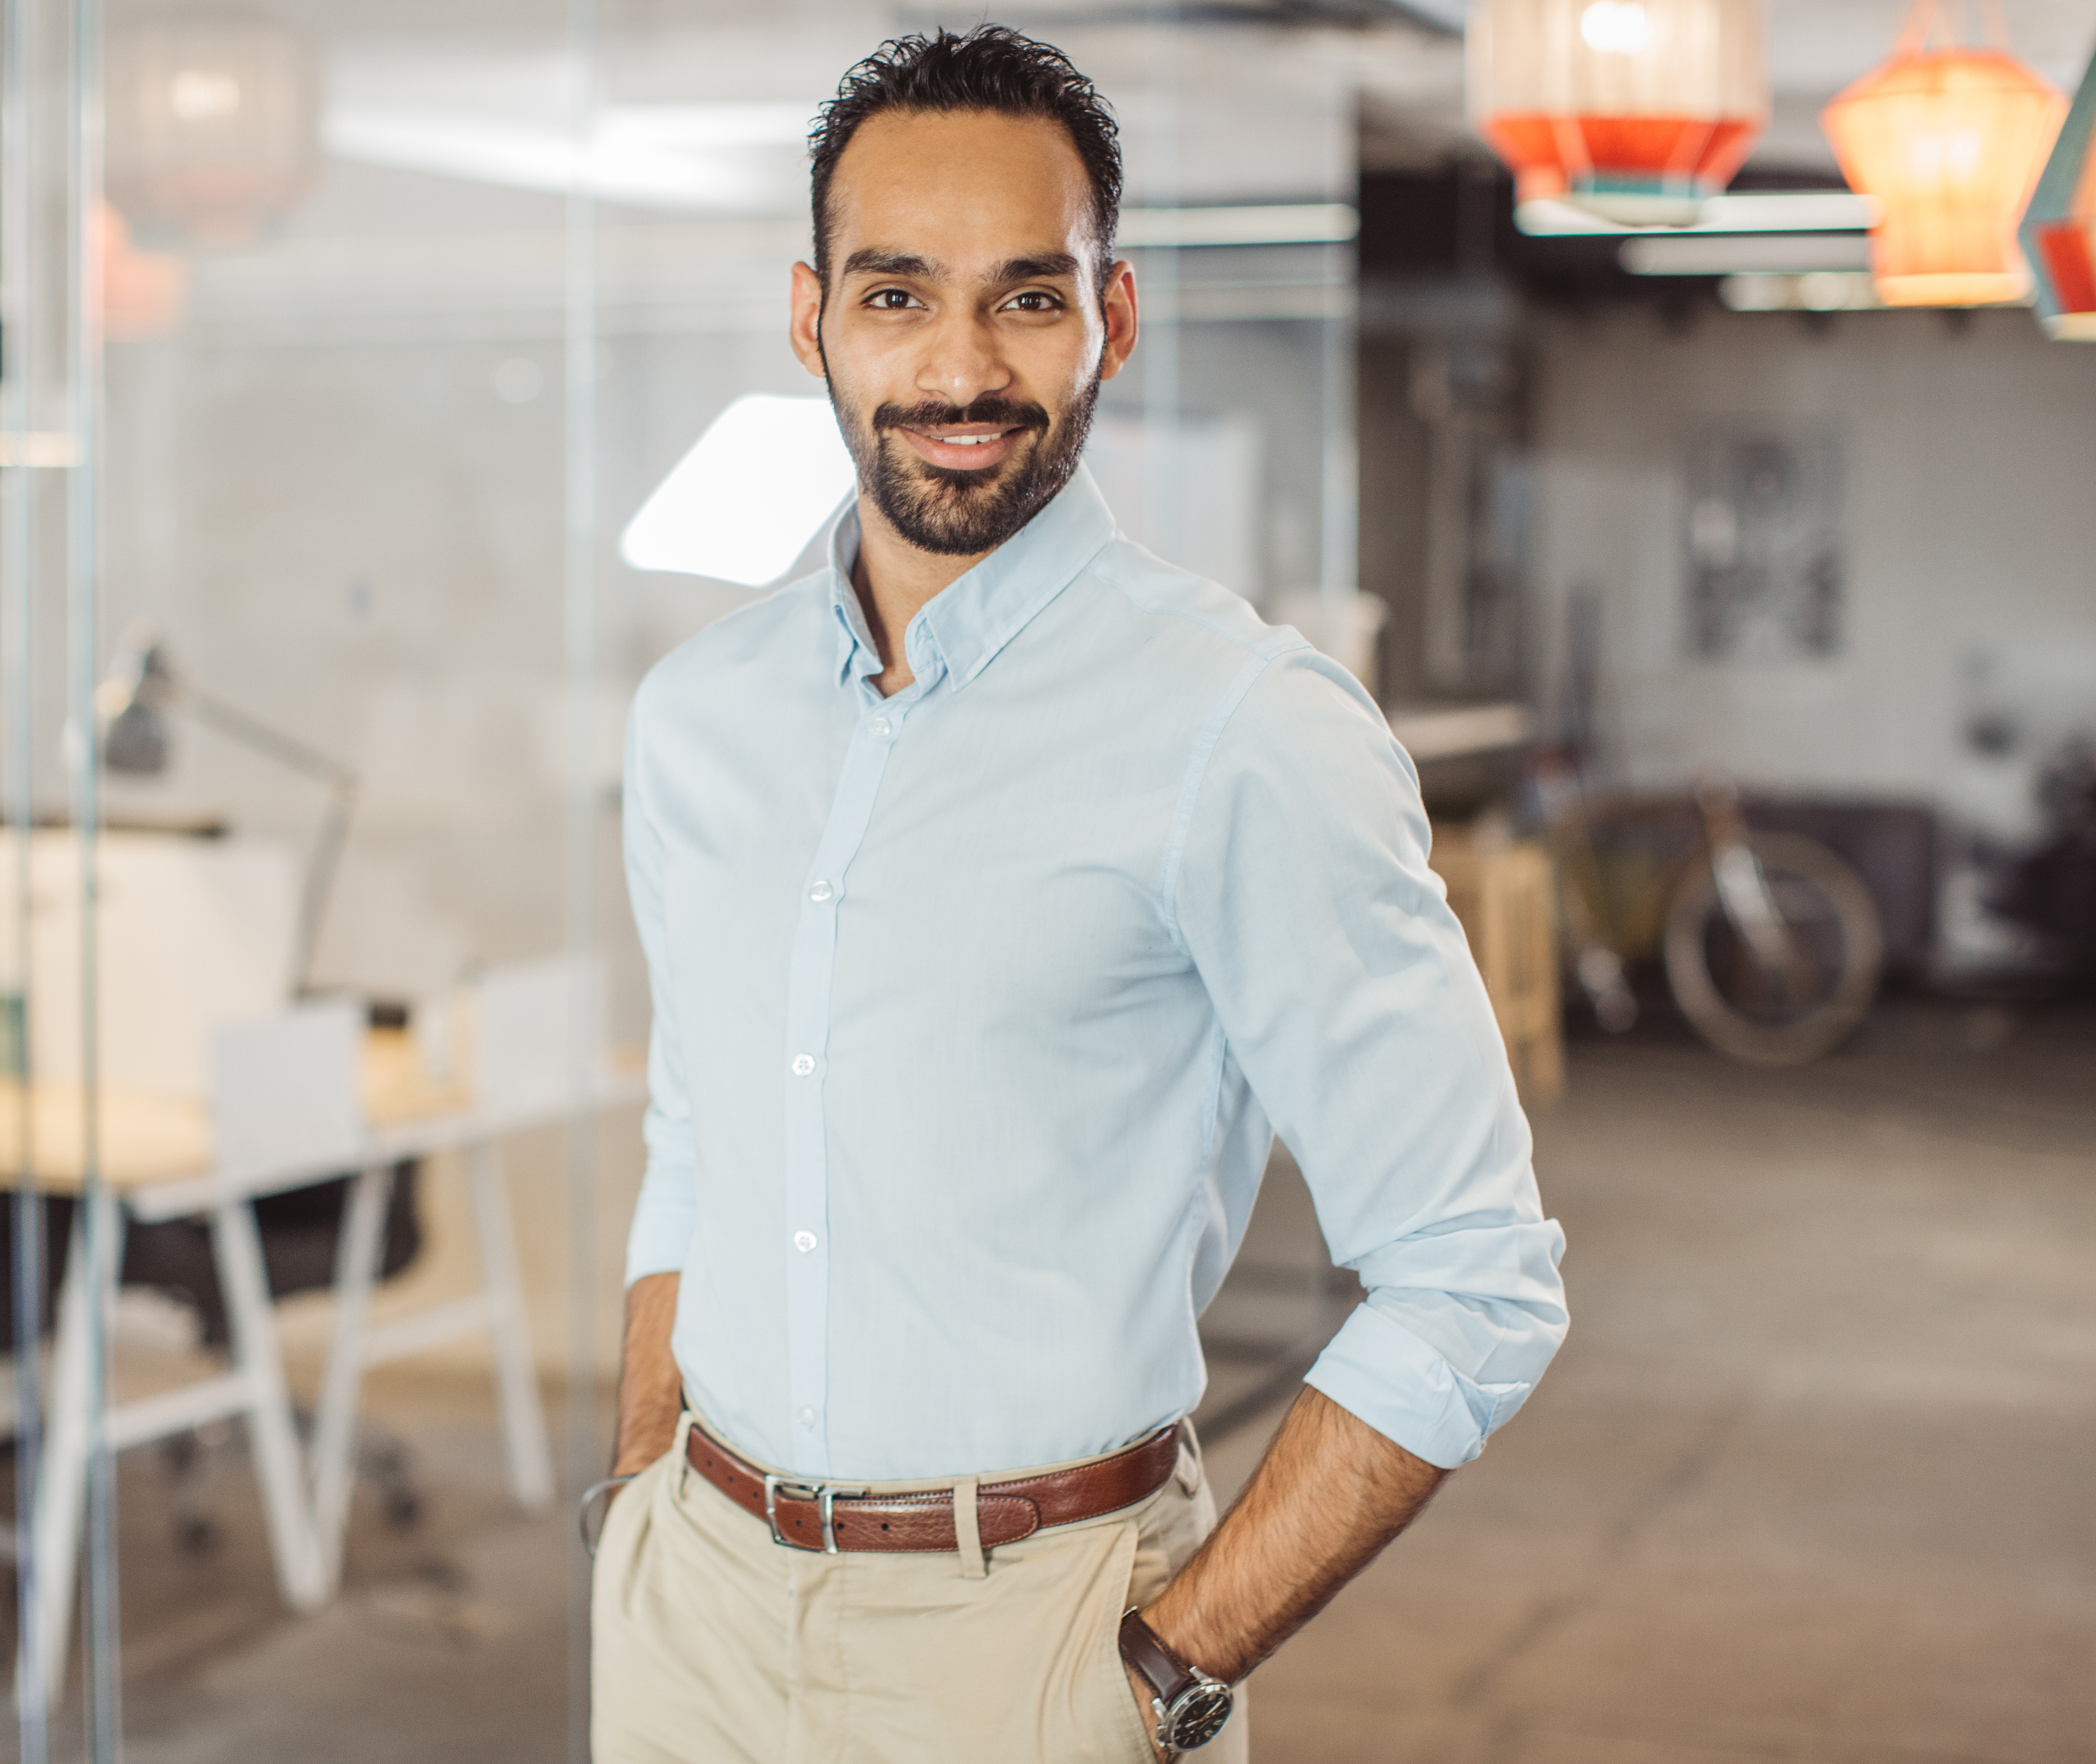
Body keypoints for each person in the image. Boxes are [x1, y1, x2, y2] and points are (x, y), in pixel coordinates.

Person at [591, 26, 1568, 1764]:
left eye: (1026, 299)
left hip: (1040, 1641)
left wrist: (1161, 1673)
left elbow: (1474, 1277)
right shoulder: (697, 719)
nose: (960, 366)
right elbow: (699, 1137)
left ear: (1112, 318)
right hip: (693, 1624)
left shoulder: (1243, 727)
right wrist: (639, 1497)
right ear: (811, 319)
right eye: (897, 296)